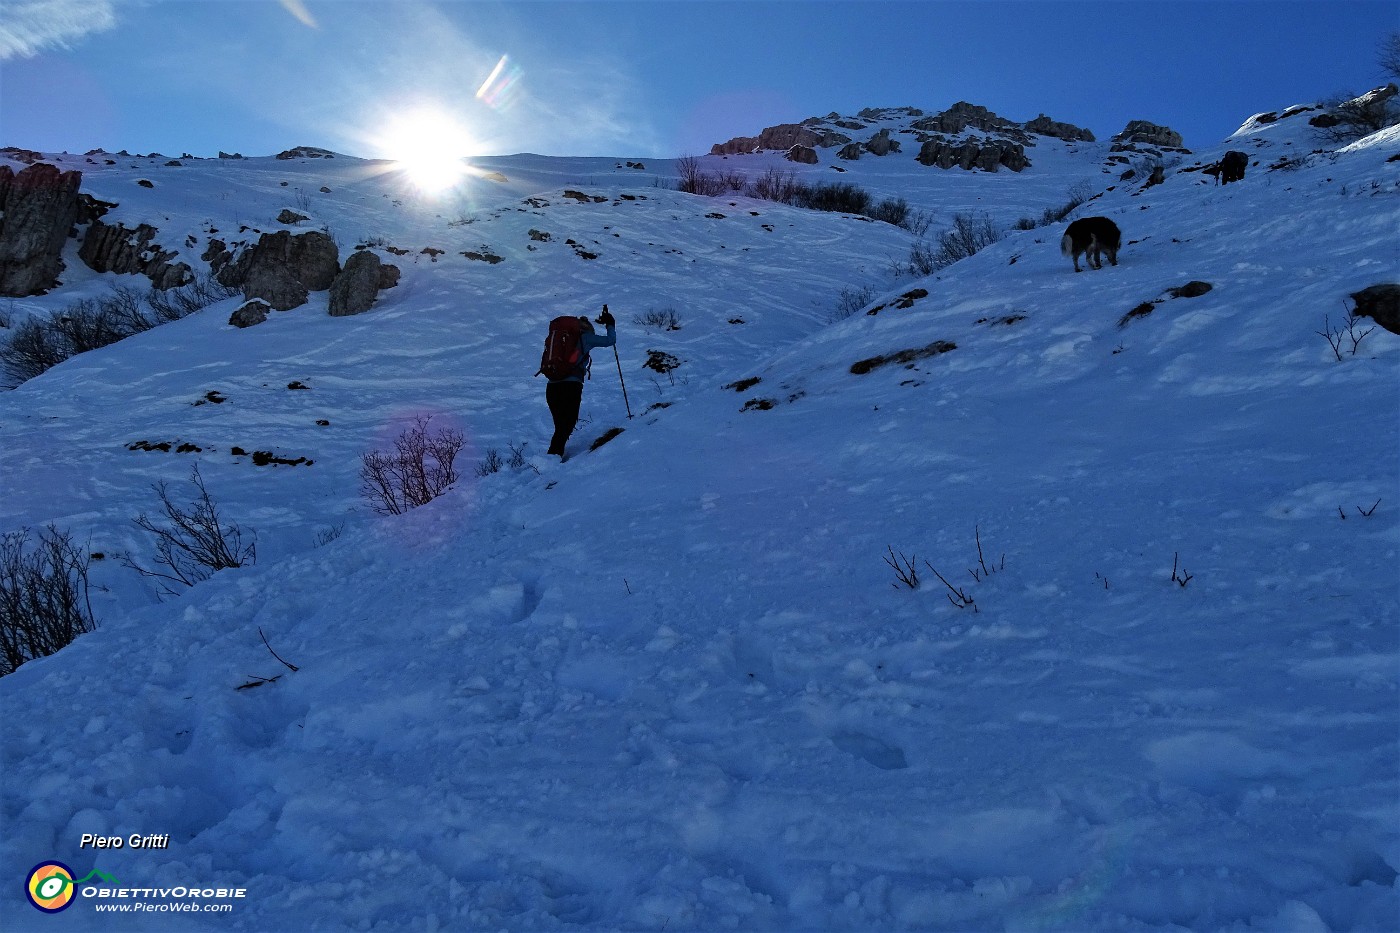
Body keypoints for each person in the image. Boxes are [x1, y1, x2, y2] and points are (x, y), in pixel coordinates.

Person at [545, 305, 615, 459]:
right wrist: (611, 324)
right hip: (571, 386)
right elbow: (611, 340)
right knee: (567, 423)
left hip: (552, 386)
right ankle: (552, 460)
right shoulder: (586, 337)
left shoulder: (559, 338)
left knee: (561, 426)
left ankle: (552, 459)